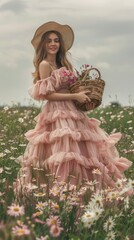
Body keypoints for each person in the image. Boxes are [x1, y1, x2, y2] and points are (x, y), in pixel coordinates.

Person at [14, 21, 132, 195]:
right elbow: (47, 95)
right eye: (49, 41)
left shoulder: (64, 65)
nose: (53, 44)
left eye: (56, 40)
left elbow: (72, 91)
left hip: (72, 111)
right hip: (56, 113)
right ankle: (60, 194)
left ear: (60, 44)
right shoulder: (44, 64)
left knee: (83, 154)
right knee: (63, 154)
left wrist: (84, 101)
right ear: (44, 45)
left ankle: (82, 193)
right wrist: (74, 96)